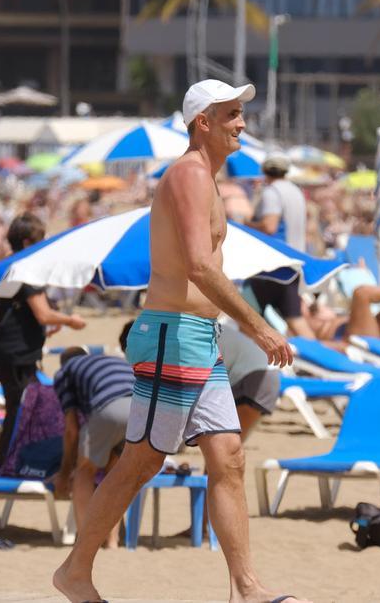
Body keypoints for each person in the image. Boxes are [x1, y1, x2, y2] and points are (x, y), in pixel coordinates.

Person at [54, 79, 301, 603]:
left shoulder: (207, 178)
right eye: (231, 113)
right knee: (142, 461)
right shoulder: (189, 174)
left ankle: (246, 587)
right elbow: (197, 264)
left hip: (199, 337)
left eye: (241, 113)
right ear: (202, 123)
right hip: (172, 335)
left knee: (228, 456)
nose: (241, 122)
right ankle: (75, 571)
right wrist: (257, 326)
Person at [0, 213, 86, 470]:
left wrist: (41, 331)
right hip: (16, 355)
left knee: (19, 408)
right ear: (29, 241)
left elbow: (18, 314)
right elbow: (43, 313)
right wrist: (70, 320)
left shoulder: (7, 266)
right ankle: (5, 467)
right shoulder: (26, 269)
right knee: (19, 411)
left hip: (1, 351)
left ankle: (10, 463)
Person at [50, 323, 137, 550]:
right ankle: (112, 541)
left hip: (110, 406)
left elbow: (71, 430)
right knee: (114, 474)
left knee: (85, 472)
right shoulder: (113, 361)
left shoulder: (65, 372)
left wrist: (64, 473)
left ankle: (86, 541)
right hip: (142, 409)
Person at [245, 154, 316, 341]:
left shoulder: (272, 192)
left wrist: (246, 224)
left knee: (246, 317)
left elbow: (270, 226)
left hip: (272, 265)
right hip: (292, 262)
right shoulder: (296, 191)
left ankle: (252, 362)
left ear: (265, 171)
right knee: (295, 319)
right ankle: (322, 356)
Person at [216, 320, 280, 440]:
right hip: (263, 374)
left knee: (229, 445)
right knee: (229, 446)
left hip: (257, 378)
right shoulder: (216, 330)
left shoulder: (205, 335)